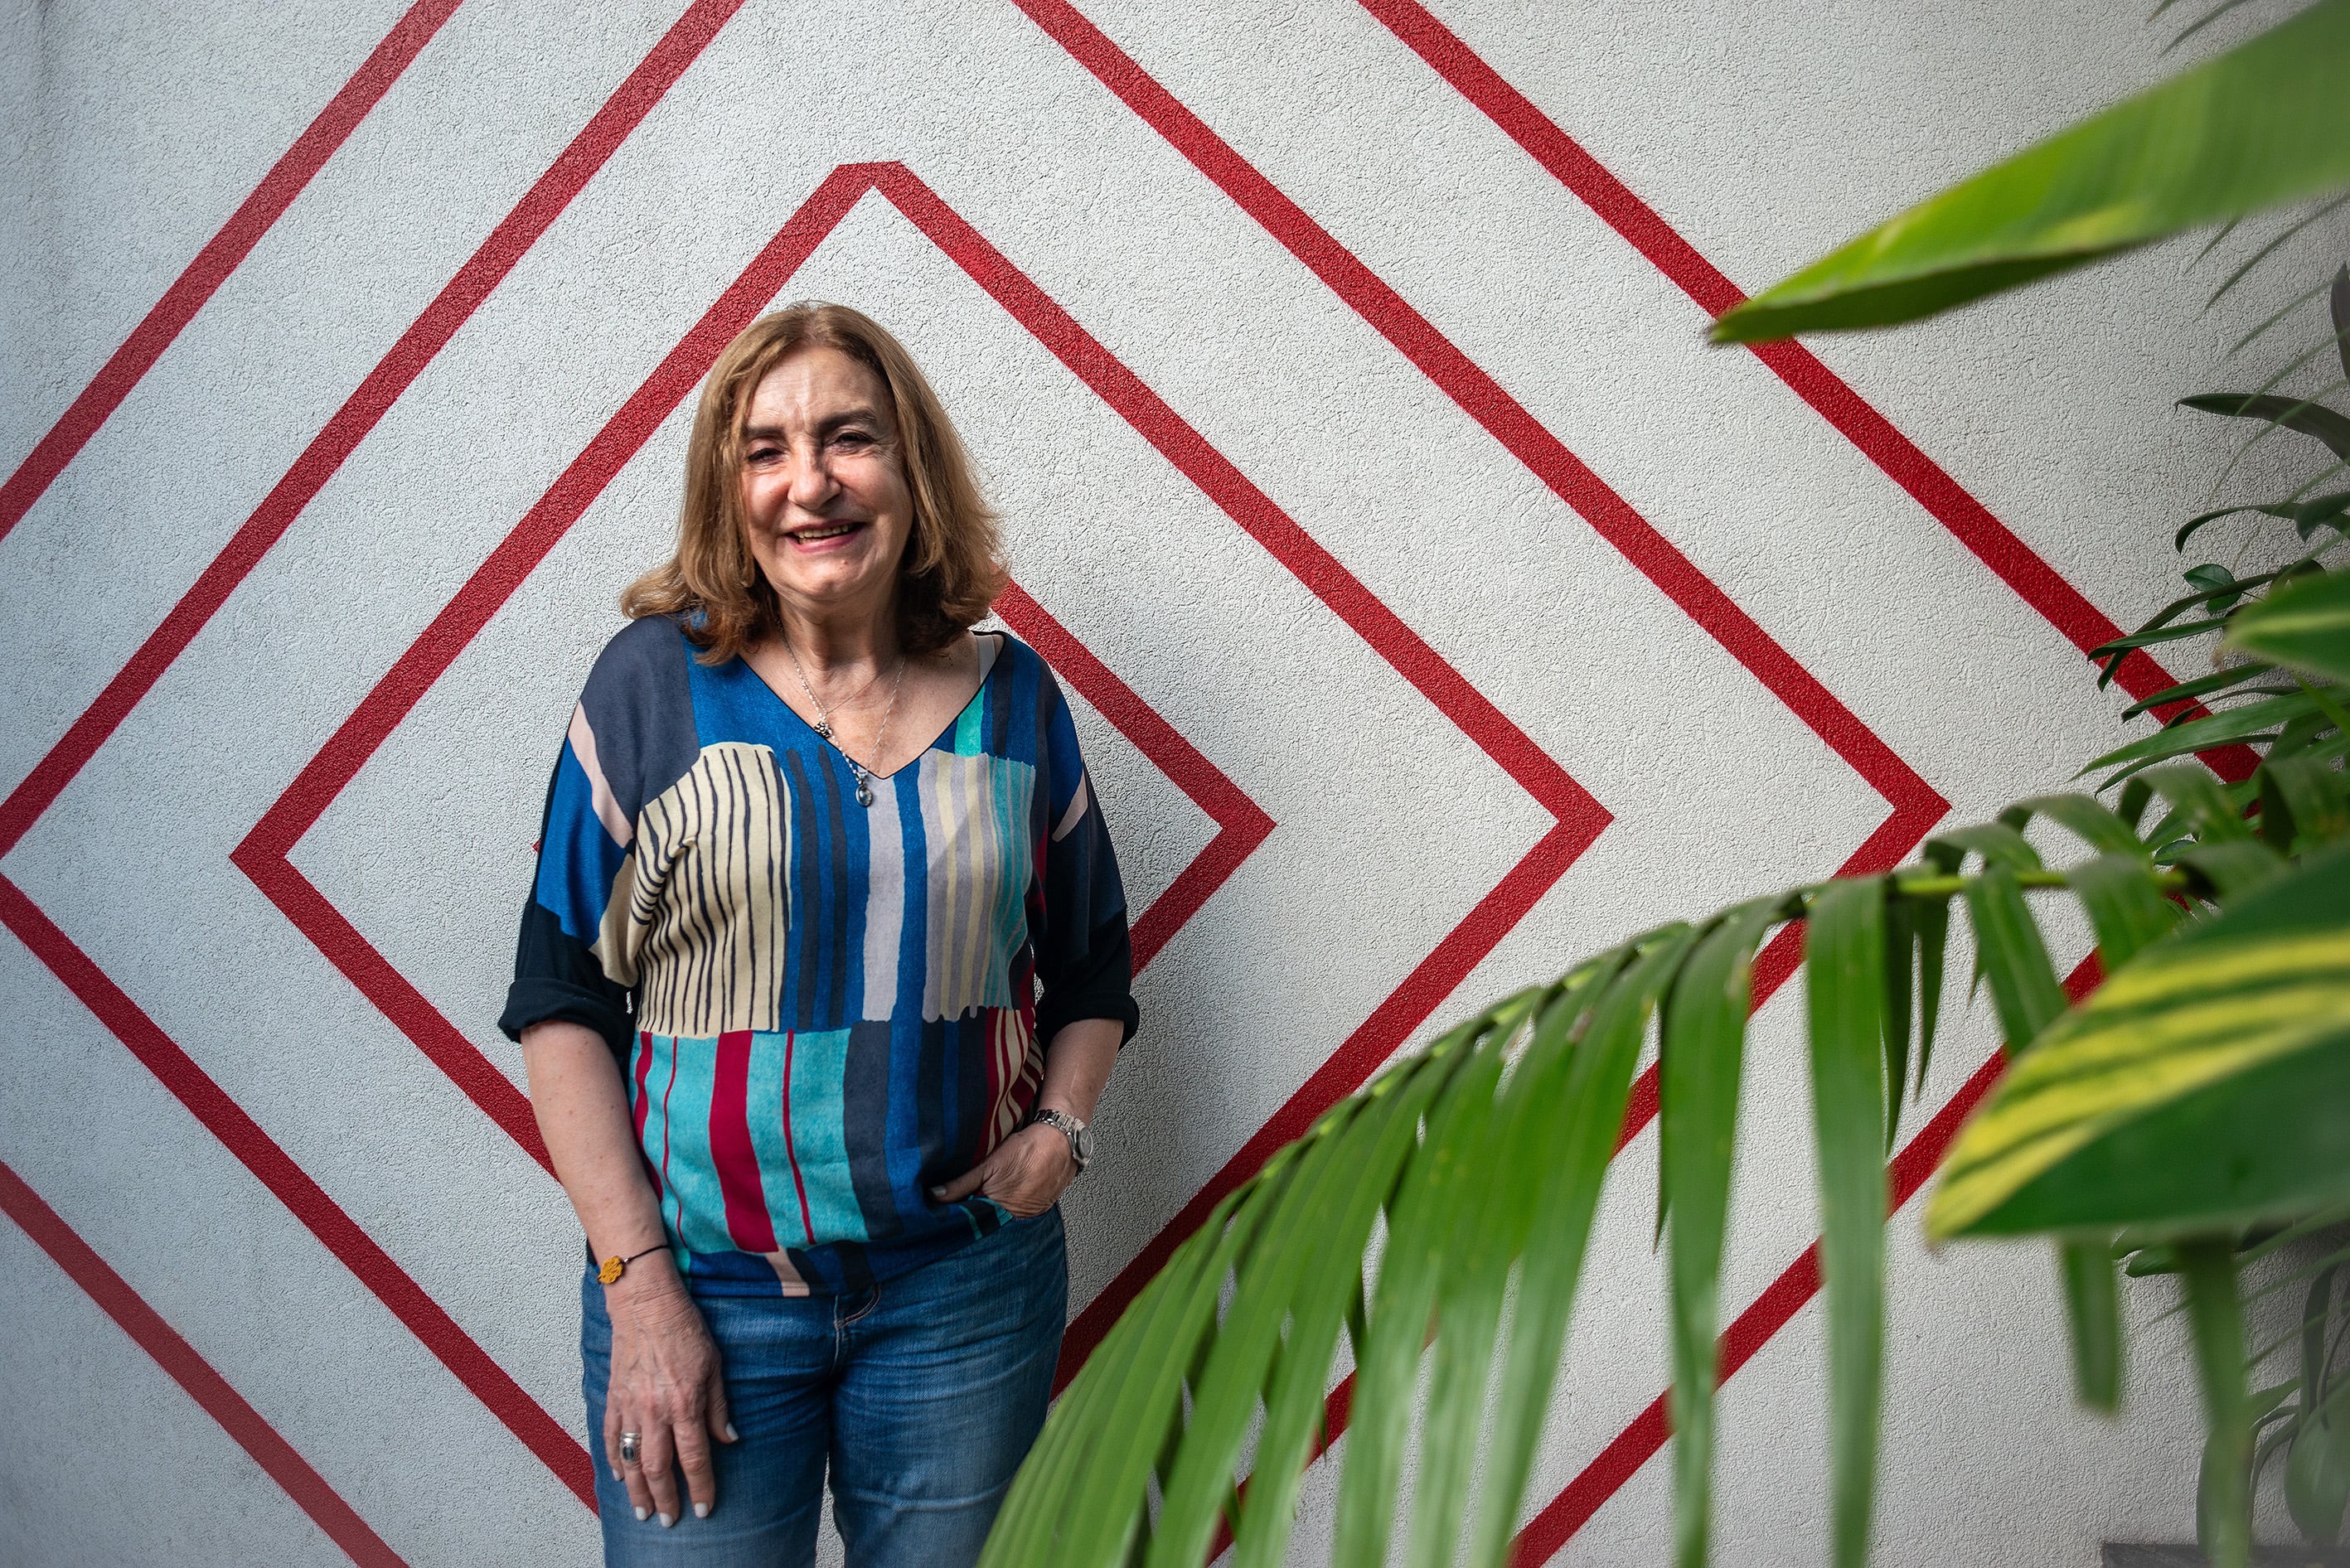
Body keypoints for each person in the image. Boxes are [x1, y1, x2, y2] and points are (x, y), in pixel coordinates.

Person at [500, 302, 1136, 1567]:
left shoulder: (1016, 698)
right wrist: (640, 1289)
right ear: (727, 488)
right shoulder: (649, 690)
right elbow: (562, 1000)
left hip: (964, 1298)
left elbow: (1093, 965)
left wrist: (1062, 1132)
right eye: (767, 450)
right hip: (701, 1294)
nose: (811, 482)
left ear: (912, 467)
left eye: (850, 437)